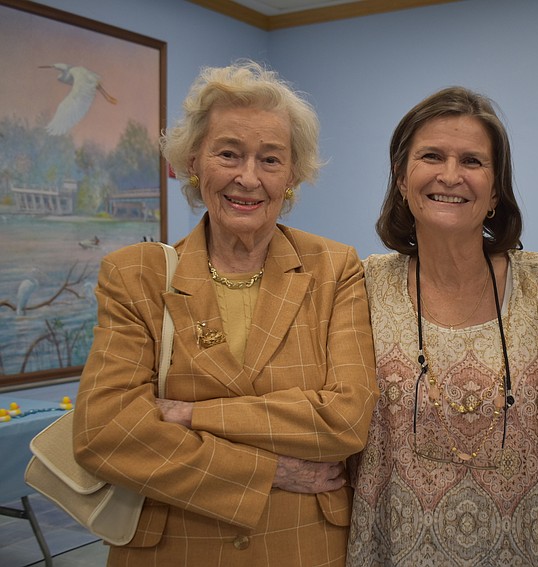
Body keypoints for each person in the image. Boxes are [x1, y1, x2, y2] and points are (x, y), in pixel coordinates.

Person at [73, 60, 378, 566]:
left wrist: (193, 413)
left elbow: (345, 419)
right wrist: (271, 470)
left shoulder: (334, 267)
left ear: (294, 173)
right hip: (174, 547)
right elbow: (106, 434)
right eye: (229, 154)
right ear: (194, 161)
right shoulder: (136, 276)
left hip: (301, 546)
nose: (248, 178)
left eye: (271, 160)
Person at [346, 86, 538, 566]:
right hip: (391, 550)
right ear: (402, 180)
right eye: (431, 156)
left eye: (472, 161)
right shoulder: (362, 286)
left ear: (494, 191)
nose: (451, 175)